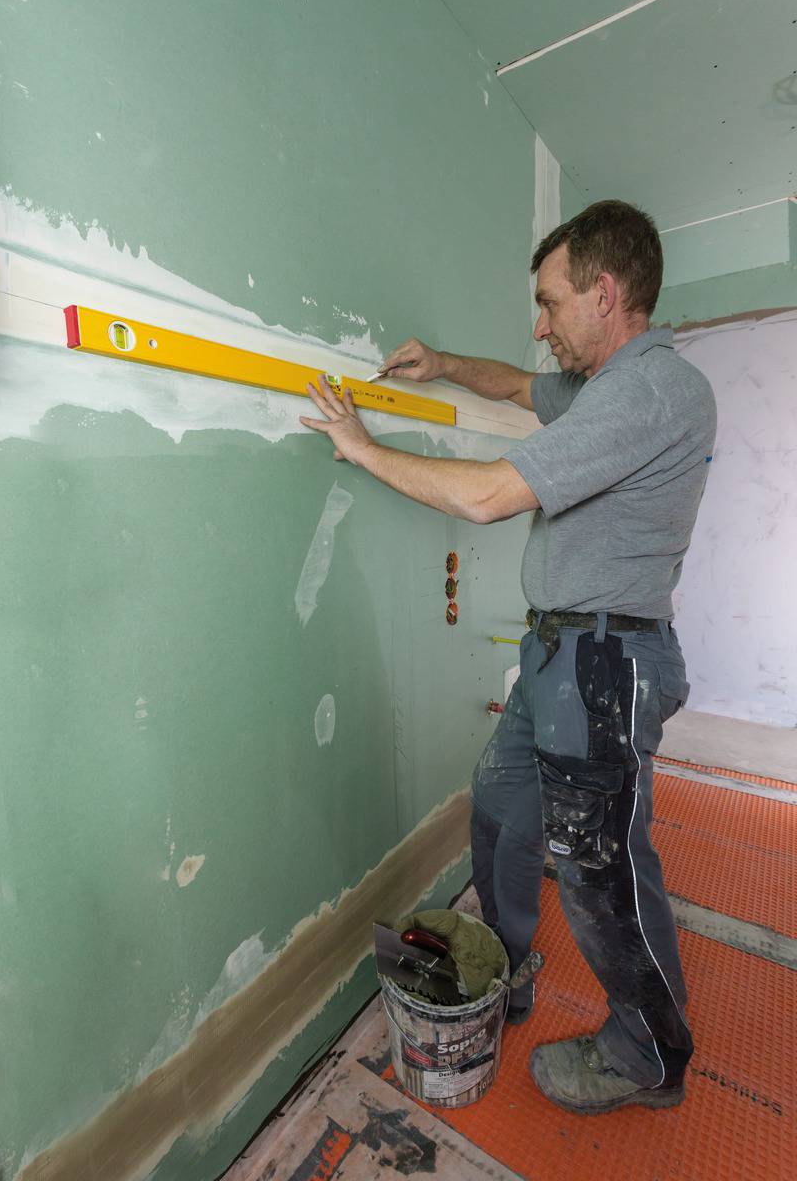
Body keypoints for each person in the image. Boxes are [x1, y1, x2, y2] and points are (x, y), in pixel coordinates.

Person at [301, 199, 717, 1115]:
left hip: (605, 665)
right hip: (559, 654)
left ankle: (649, 1055)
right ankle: (511, 967)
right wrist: (444, 365)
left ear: (605, 294)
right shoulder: (604, 385)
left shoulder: (652, 391)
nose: (539, 325)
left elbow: (491, 497)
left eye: (550, 302)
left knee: (599, 868)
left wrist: (363, 450)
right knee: (501, 807)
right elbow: (521, 388)